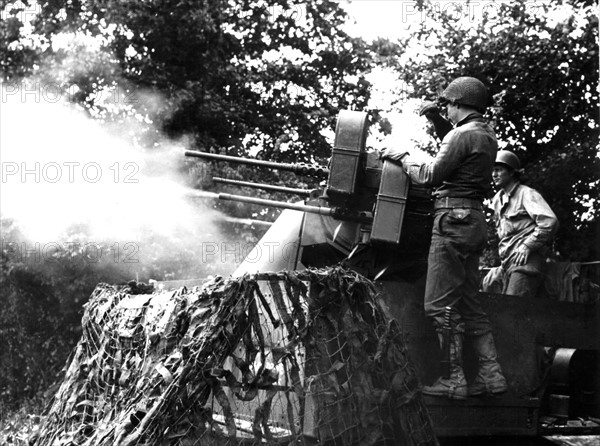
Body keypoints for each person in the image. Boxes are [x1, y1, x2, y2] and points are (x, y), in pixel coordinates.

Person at [383, 76, 507, 399]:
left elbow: (429, 175)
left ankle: (453, 379)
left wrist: (403, 154)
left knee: (439, 305)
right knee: (470, 303)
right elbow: (458, 151)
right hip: (474, 221)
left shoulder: (461, 135)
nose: (446, 111)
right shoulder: (485, 134)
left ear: (458, 104)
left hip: (451, 221)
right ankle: (491, 376)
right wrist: (435, 119)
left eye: (447, 106)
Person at [491, 150, 558, 298]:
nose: (494, 174)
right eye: (493, 170)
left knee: (513, 308)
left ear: (512, 173)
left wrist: (528, 245)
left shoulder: (526, 194)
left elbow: (549, 222)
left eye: (499, 170)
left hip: (526, 263)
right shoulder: (497, 199)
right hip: (507, 263)